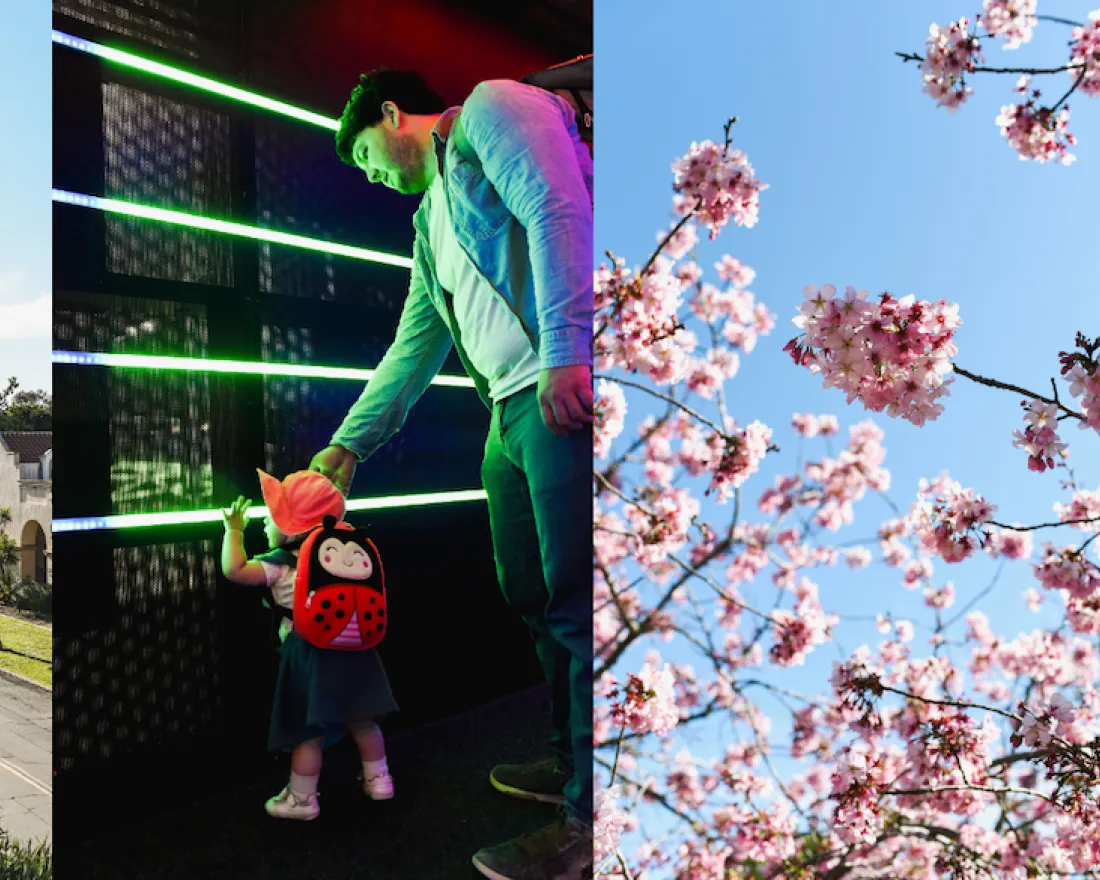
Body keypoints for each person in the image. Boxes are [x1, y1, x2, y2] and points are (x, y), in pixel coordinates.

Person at [309, 68, 593, 878]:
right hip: (508, 416)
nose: (372, 176)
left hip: (558, 388)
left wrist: (570, 353)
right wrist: (347, 447)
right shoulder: (429, 222)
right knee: (532, 597)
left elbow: (556, 206)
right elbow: (414, 343)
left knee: (579, 601)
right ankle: (576, 763)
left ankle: (593, 821)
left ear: (393, 114)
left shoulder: (493, 110)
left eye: (367, 155)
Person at [220, 469, 399, 821]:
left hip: (309, 656)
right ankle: (380, 780)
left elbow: (235, 570)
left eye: (271, 519)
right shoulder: (346, 552)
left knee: (308, 731)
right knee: (363, 721)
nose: (266, 526)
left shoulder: (281, 563)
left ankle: (302, 799)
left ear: (291, 525)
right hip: (357, 650)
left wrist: (233, 531)